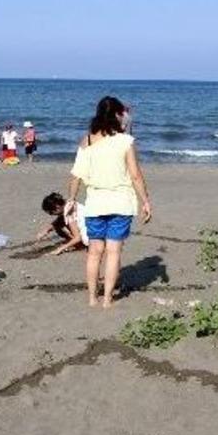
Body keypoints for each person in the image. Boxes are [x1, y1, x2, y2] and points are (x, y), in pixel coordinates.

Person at [65, 96, 153, 308]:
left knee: (94, 252)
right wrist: (145, 201)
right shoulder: (125, 141)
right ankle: (107, 300)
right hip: (121, 203)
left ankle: (92, 298)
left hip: (95, 203)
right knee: (114, 252)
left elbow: (76, 175)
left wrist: (71, 199)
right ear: (117, 115)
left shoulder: (86, 140)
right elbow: (135, 175)